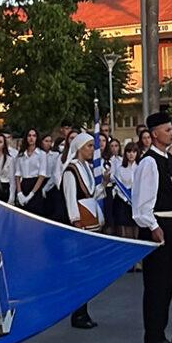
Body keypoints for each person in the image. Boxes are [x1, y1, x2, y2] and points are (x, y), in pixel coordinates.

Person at [131, 112, 172, 343]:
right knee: (155, 284)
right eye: (167, 130)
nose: (171, 133)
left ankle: (160, 333)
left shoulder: (169, 160)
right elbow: (141, 204)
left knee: (166, 285)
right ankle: (151, 339)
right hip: (158, 226)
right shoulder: (148, 163)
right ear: (154, 134)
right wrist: (153, 226)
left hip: (171, 222)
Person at [60, 132, 105, 329]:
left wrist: (104, 184)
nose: (91, 150)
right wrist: (76, 223)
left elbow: (92, 194)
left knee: (87, 268)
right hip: (81, 225)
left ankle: (84, 312)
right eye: (88, 146)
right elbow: (71, 199)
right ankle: (78, 314)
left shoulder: (86, 167)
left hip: (91, 221)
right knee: (80, 269)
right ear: (79, 148)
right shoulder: (70, 171)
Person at [14, 130, 47, 213]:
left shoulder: (41, 154)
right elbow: (17, 175)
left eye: (34, 136)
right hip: (24, 184)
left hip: (35, 185)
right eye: (29, 135)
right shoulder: (21, 155)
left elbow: (42, 176)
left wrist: (31, 194)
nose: (31, 138)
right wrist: (19, 192)